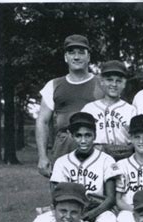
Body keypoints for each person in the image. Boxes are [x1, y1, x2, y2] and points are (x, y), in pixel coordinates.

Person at [30, 112, 117, 222]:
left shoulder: (106, 160)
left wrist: (91, 214)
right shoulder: (62, 162)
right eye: (78, 135)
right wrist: (74, 214)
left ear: (94, 136)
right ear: (72, 136)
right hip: (69, 209)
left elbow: (111, 198)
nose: (83, 140)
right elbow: (56, 196)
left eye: (87, 135)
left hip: (98, 208)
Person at [36, 34, 104, 177]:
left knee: (96, 194)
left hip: (96, 144)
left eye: (81, 52)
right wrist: (42, 156)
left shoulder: (102, 84)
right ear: (65, 57)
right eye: (71, 52)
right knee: (63, 194)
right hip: (64, 144)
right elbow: (42, 121)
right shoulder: (53, 85)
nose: (76, 57)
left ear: (88, 57)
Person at [81, 60, 136, 161]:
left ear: (124, 84)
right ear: (101, 81)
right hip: (94, 158)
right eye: (109, 80)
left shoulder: (131, 110)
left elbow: (136, 140)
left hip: (123, 158)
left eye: (118, 81)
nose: (114, 84)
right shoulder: (89, 109)